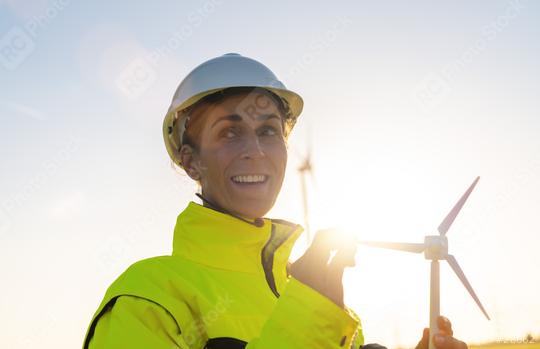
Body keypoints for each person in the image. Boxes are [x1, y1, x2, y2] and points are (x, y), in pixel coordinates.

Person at [82, 53, 469, 349]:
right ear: (190, 160)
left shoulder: (320, 299)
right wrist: (309, 315)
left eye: (268, 131)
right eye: (229, 133)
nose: (255, 151)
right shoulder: (148, 298)